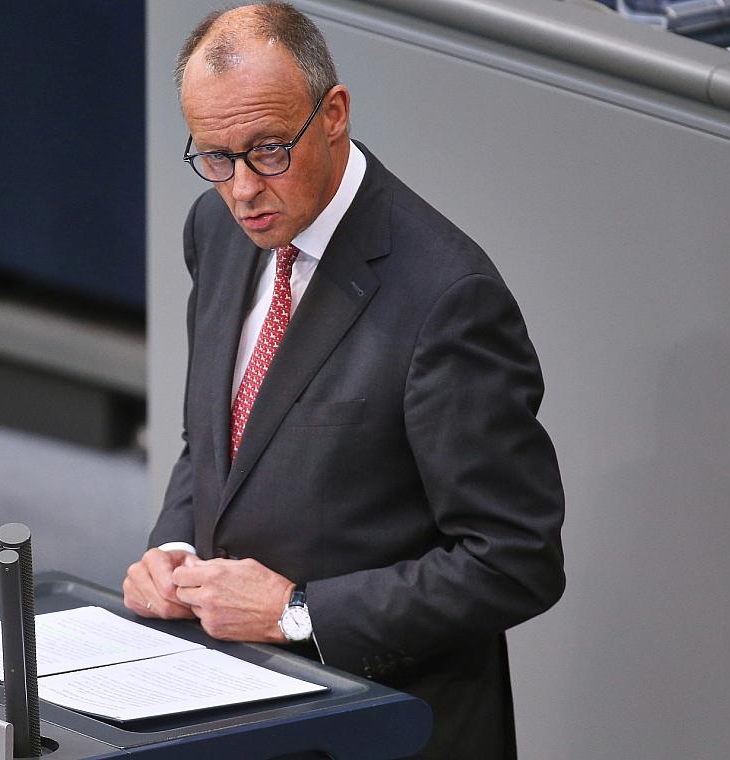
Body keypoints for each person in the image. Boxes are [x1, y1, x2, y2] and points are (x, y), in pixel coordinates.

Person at [123, 3, 565, 757]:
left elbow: (514, 559)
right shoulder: (217, 230)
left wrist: (297, 612)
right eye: (215, 156)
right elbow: (218, 442)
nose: (242, 189)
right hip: (238, 706)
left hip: (387, 726)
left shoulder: (446, 297)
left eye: (267, 150)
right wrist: (173, 551)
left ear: (333, 115)